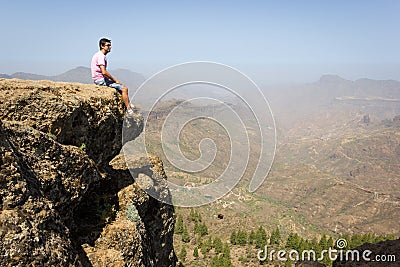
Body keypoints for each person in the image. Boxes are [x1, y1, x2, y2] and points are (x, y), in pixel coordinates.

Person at [91, 38, 135, 114]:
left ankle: (128, 102)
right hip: (100, 80)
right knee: (125, 89)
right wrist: (115, 80)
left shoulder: (99, 55)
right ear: (102, 46)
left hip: (99, 78)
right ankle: (129, 109)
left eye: (110, 45)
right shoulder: (101, 56)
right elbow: (104, 72)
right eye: (108, 45)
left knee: (119, 87)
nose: (110, 47)